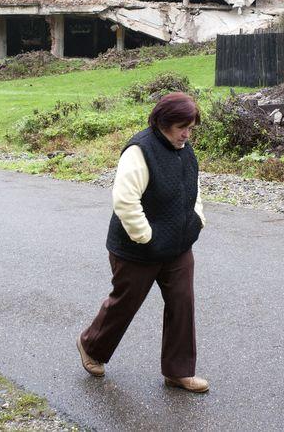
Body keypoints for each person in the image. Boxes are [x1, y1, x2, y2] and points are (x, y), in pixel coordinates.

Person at [76, 91, 209, 393]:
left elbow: (193, 188)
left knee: (182, 303)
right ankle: (91, 347)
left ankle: (178, 372)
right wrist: (146, 237)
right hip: (137, 248)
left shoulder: (184, 149)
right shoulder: (139, 151)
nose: (187, 134)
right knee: (126, 302)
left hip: (178, 245)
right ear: (164, 123)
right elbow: (125, 201)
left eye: (190, 127)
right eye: (182, 128)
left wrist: (197, 217)